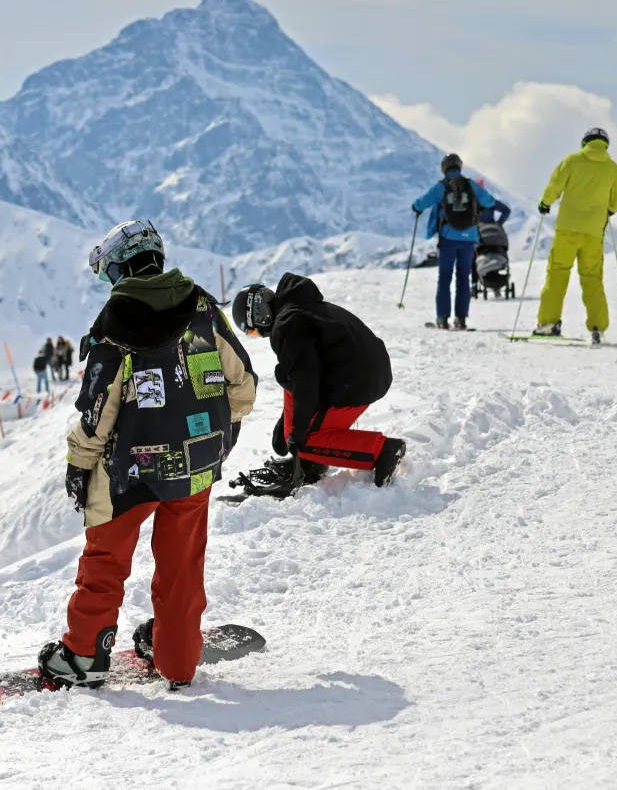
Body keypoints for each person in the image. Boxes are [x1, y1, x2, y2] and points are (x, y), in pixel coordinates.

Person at [39, 220, 256, 691]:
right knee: (182, 568)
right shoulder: (202, 306)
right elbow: (243, 385)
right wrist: (221, 431)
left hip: (130, 472)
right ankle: (177, 661)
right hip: (198, 464)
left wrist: (79, 466)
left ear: (119, 268)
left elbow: (99, 413)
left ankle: (82, 656)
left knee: (105, 562)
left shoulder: (113, 323)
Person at [233, 275, 406, 488]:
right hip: (364, 373)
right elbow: (299, 374)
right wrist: (286, 421)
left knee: (307, 442)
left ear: (261, 317)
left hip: (356, 381)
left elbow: (306, 378)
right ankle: (312, 462)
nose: (258, 334)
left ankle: (381, 449)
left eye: (252, 330)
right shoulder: (300, 308)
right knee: (286, 376)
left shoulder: (287, 324)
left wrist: (297, 434)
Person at [534, 128, 617, 344]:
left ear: (585, 142)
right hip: (594, 234)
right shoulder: (613, 169)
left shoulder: (572, 160)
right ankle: (597, 327)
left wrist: (545, 203)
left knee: (557, 275)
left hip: (567, 229)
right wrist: (608, 210)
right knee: (592, 279)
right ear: (605, 144)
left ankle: (548, 324)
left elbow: (554, 186)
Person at [412, 153, 498, 330]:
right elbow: (490, 201)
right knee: (463, 278)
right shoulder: (470, 184)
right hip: (470, 238)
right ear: (459, 167)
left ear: (444, 169)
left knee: (445, 278)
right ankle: (461, 319)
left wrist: (416, 208)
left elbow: (421, 203)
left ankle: (442, 319)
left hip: (448, 237)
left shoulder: (441, 187)